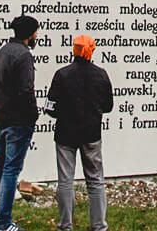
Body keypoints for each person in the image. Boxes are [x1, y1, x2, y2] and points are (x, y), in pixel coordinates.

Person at [0, 14, 40, 231]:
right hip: (18, 120)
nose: (36, 36)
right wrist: (33, 114)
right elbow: (26, 90)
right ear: (29, 34)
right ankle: (3, 222)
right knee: (11, 169)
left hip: (2, 117)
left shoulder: (3, 51)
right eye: (35, 32)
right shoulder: (23, 56)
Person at [47, 34, 113, 231]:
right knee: (95, 180)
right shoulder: (101, 74)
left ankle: (65, 226)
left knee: (65, 180)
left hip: (65, 133)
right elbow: (108, 106)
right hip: (91, 133)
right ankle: (99, 226)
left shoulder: (61, 74)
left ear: (73, 50)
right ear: (91, 50)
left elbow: (50, 108)